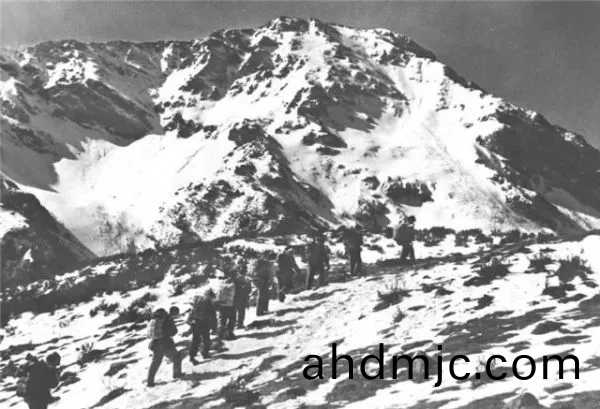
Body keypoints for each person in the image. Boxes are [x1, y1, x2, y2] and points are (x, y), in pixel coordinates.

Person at [146, 307, 182, 387]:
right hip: (165, 343)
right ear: (174, 313)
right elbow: (173, 332)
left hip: (155, 343)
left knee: (155, 363)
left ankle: (150, 381)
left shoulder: (156, 318)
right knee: (177, 357)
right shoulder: (168, 319)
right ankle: (177, 374)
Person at [188, 288, 218, 364]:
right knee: (206, 339)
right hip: (204, 323)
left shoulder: (198, 300)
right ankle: (205, 353)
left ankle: (192, 357)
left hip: (195, 322)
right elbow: (213, 316)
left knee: (196, 340)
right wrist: (214, 328)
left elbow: (192, 311)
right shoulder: (209, 303)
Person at [214, 271, 236, 339]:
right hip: (230, 305)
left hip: (221, 305)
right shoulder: (232, 285)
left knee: (222, 320)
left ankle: (220, 334)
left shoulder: (220, 285)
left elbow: (217, 295)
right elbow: (233, 295)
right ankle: (230, 333)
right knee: (231, 319)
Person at [232, 261, 251, 328]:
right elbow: (248, 290)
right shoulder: (243, 279)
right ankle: (240, 324)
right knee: (241, 311)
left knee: (233, 312)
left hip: (233, 297)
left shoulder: (232, 279)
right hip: (240, 297)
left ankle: (233, 324)